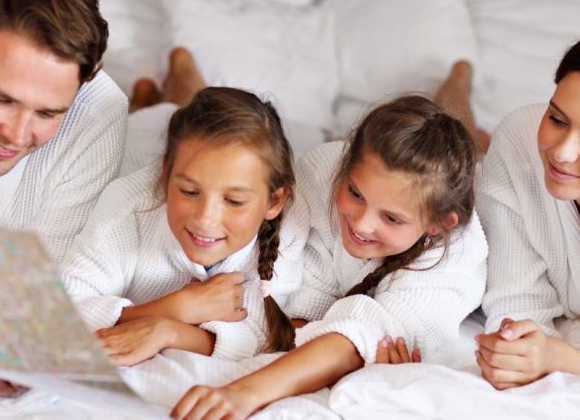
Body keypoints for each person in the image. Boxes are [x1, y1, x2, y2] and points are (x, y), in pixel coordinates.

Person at [169, 94, 488, 419]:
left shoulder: (453, 264)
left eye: (392, 218)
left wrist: (243, 393)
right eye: (355, 193)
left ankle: (458, 85)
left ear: (437, 224)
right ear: (344, 165)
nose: (361, 224)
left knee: (464, 120)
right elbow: (287, 313)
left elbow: (356, 338)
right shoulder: (318, 176)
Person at [0, 0, 127, 395]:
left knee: (171, 126)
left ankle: (169, 88)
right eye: (1, 99)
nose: (16, 134)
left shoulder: (97, 114)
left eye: (47, 113)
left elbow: (50, 285)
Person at [61, 86, 309, 364]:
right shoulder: (125, 206)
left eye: (234, 201)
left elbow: (260, 336)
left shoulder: (290, 226)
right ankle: (152, 99)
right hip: (140, 143)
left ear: (274, 202)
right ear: (166, 174)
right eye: (189, 192)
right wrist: (177, 308)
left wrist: (169, 332)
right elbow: (62, 310)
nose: (205, 219)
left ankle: (173, 89)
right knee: (150, 118)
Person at [475, 39, 580, 390]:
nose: (563, 154)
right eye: (556, 119)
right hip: (481, 177)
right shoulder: (520, 137)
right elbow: (517, 305)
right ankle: (458, 83)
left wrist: (560, 357)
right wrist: (517, 345)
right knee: (450, 141)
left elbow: (550, 351)